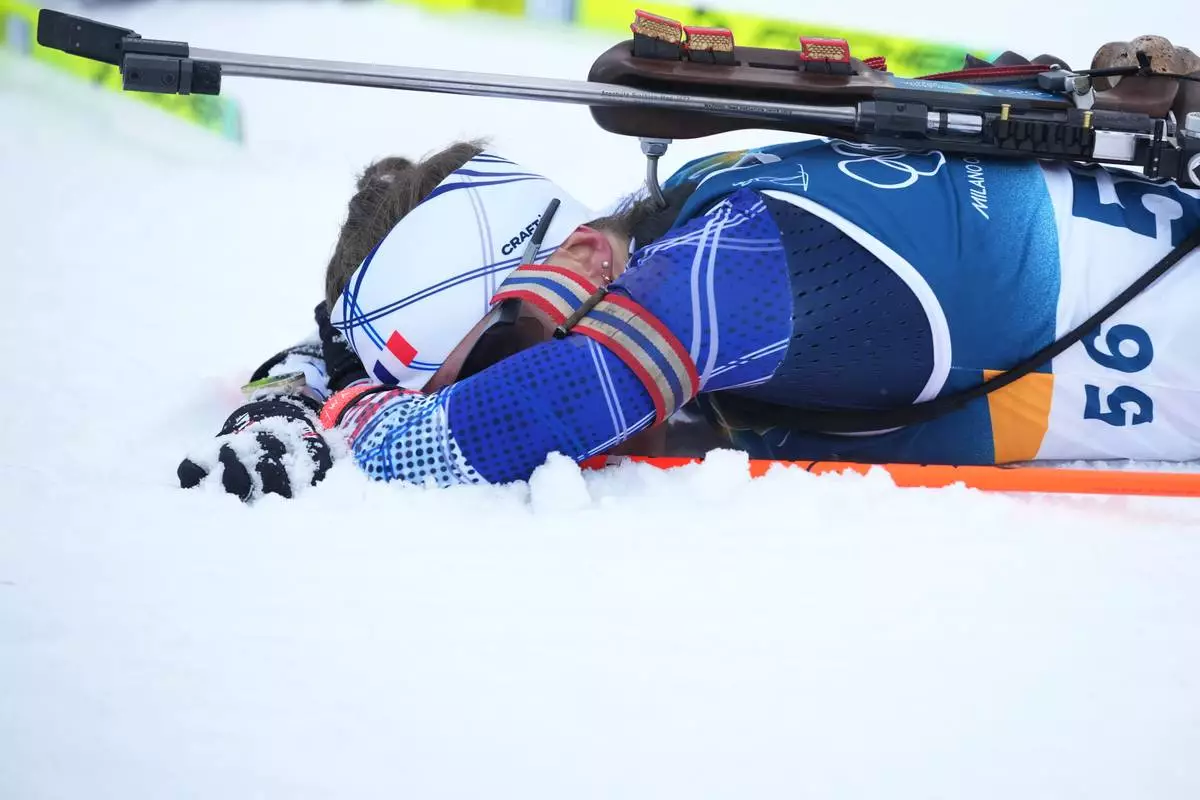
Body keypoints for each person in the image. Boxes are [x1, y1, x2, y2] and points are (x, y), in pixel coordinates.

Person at [177, 126, 1200, 501]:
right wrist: (297, 390)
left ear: (529, 305)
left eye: (483, 354)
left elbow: (518, 418)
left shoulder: (730, 258)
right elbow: (329, 359)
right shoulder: (724, 205)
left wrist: (358, 421)